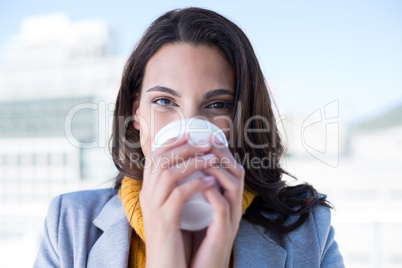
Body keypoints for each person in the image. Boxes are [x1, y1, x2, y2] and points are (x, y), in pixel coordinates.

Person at [34, 7, 344, 268]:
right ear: (136, 112)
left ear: (243, 119)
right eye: (164, 102)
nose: (190, 126)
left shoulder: (309, 230)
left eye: (217, 104)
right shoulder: (69, 226)